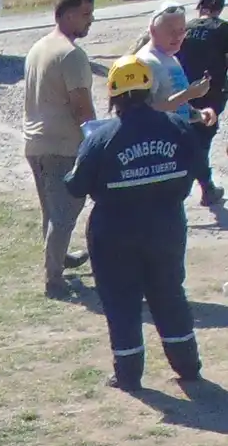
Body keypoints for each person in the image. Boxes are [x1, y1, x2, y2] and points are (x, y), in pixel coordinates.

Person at [64, 55, 208, 392]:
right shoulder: (178, 127)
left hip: (114, 234)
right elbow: (200, 168)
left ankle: (128, 374)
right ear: (149, 89)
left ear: (114, 97)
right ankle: (187, 366)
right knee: (170, 293)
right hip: (167, 227)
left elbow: (75, 186)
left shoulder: (101, 139)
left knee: (121, 301)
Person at [23, 0, 98, 298]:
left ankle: (59, 258)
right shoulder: (71, 54)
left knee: (51, 211)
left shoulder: (38, 47)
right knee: (64, 213)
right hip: (61, 146)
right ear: (67, 15)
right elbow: (81, 106)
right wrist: (97, 138)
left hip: (35, 143)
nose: (90, 20)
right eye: (85, 14)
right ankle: (53, 280)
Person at [173, 0, 228, 206]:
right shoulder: (223, 29)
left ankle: (205, 187)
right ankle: (204, 188)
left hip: (182, 91)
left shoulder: (185, 28)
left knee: (191, 139)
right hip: (211, 94)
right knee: (200, 142)